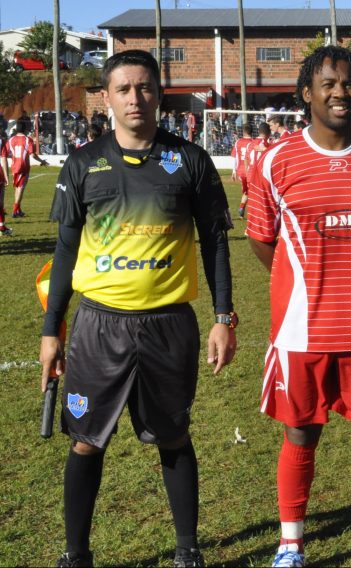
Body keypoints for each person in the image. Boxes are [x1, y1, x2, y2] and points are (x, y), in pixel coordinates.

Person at [38, 49, 237, 568]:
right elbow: (64, 252)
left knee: (173, 436)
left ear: (159, 94)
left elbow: (216, 244)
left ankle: (187, 551)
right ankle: (76, 554)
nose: (135, 98)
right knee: (86, 443)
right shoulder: (83, 163)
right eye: (123, 89)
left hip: (168, 324)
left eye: (144, 87)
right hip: (98, 324)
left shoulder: (189, 160)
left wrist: (223, 318)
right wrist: (51, 329)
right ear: (106, 97)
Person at [245, 45, 351, 568]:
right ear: (307, 93)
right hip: (301, 328)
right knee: (300, 433)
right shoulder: (276, 160)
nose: (341, 92)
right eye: (329, 84)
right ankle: (290, 544)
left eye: (349, 83)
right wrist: (302, 283)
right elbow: (262, 240)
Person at [3, 121, 50, 218]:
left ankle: (18, 210)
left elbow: (5, 153)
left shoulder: (11, 140)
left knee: (17, 187)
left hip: (14, 166)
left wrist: (14, 156)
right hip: (23, 166)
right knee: (20, 188)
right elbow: (32, 154)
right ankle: (15, 210)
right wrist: (42, 161)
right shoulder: (28, 139)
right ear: (25, 129)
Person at [230, 124, 255, 218]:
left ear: (243, 132)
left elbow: (235, 157)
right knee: (252, 191)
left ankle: (242, 208)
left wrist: (234, 171)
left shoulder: (238, 142)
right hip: (249, 170)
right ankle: (246, 209)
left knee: (246, 191)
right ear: (252, 132)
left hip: (240, 171)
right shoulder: (253, 142)